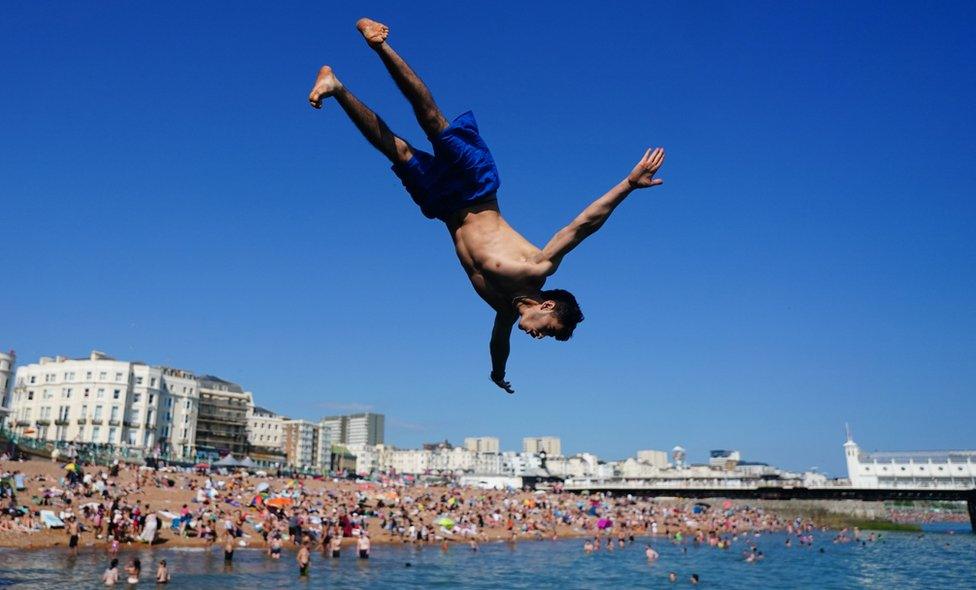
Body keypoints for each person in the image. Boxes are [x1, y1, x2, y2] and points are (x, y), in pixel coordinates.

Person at [308, 18, 666, 393]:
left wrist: (497, 373)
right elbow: (581, 226)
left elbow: (499, 344)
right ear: (547, 308)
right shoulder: (536, 268)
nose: (539, 338)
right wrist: (628, 184)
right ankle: (380, 44)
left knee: (396, 150)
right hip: (476, 188)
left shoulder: (503, 308)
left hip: (443, 205)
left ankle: (336, 88)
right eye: (548, 332)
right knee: (433, 121)